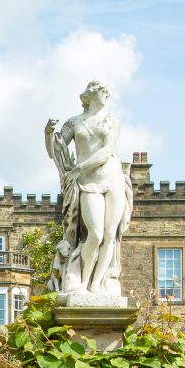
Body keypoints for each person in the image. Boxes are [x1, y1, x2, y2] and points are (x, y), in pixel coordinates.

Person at [45, 81, 132, 297]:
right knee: (94, 234)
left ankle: (97, 285)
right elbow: (55, 150)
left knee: (111, 234)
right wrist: (48, 133)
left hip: (113, 177)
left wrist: (79, 168)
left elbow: (107, 150)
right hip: (88, 182)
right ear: (91, 95)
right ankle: (82, 282)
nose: (107, 95)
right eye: (103, 92)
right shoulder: (75, 122)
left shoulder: (111, 120)